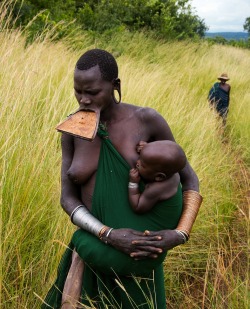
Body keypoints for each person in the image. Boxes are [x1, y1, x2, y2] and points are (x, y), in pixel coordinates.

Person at [42, 49, 203, 309]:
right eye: (78, 91)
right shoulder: (71, 130)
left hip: (139, 258)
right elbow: (67, 198)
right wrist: (108, 234)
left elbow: (189, 178)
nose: (83, 100)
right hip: (95, 253)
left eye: (93, 92)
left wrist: (180, 233)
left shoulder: (146, 120)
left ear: (115, 85)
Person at [128, 140, 187, 214]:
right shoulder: (170, 170)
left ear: (159, 177)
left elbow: (138, 207)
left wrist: (133, 183)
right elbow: (161, 156)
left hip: (163, 223)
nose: (137, 163)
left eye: (142, 165)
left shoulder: (156, 189)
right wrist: (148, 148)